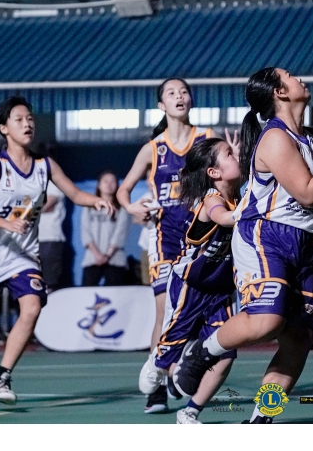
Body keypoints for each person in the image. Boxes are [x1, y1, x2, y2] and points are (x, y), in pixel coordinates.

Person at [172, 67, 313, 424]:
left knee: (299, 338)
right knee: (268, 320)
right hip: (266, 236)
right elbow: (307, 191)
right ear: (279, 93)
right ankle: (202, 350)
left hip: (305, 242)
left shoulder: (312, 137)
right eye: (291, 75)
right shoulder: (275, 138)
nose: (301, 78)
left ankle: (261, 419)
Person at [0, 96, 113, 405]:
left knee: (33, 306)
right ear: (4, 128)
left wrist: (96, 201)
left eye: (30, 119)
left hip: (23, 255)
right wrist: (6, 224)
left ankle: (1, 378)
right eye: (19, 119)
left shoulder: (45, 165)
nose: (27, 124)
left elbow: (75, 193)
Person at [116, 77, 226, 414]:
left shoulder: (207, 138)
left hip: (202, 235)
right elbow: (123, 189)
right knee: (164, 310)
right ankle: (158, 386)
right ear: (161, 105)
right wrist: (131, 206)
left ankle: (184, 367)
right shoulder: (153, 148)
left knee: (192, 310)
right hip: (165, 235)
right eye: (171, 93)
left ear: (190, 100)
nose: (179, 96)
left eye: (184, 91)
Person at [139, 137, 241, 424]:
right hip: (190, 284)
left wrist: (238, 153)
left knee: (226, 354)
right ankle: (158, 363)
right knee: (174, 338)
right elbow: (224, 218)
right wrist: (250, 212)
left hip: (220, 289)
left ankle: (190, 411)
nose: (236, 156)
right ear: (214, 172)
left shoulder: (239, 193)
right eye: (229, 154)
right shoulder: (212, 199)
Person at [81, 170, 131, 287]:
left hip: (115, 259)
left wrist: (107, 255)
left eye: (113, 181)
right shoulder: (89, 207)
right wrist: (97, 255)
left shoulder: (122, 207)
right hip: (92, 258)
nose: (109, 184)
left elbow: (120, 233)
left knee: (115, 292)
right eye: (105, 181)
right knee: (87, 293)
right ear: (99, 185)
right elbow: (85, 231)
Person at [38, 180, 67, 293]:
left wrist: (22, 210)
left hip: (50, 239)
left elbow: (46, 206)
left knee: (49, 283)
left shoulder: (54, 183)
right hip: (27, 239)